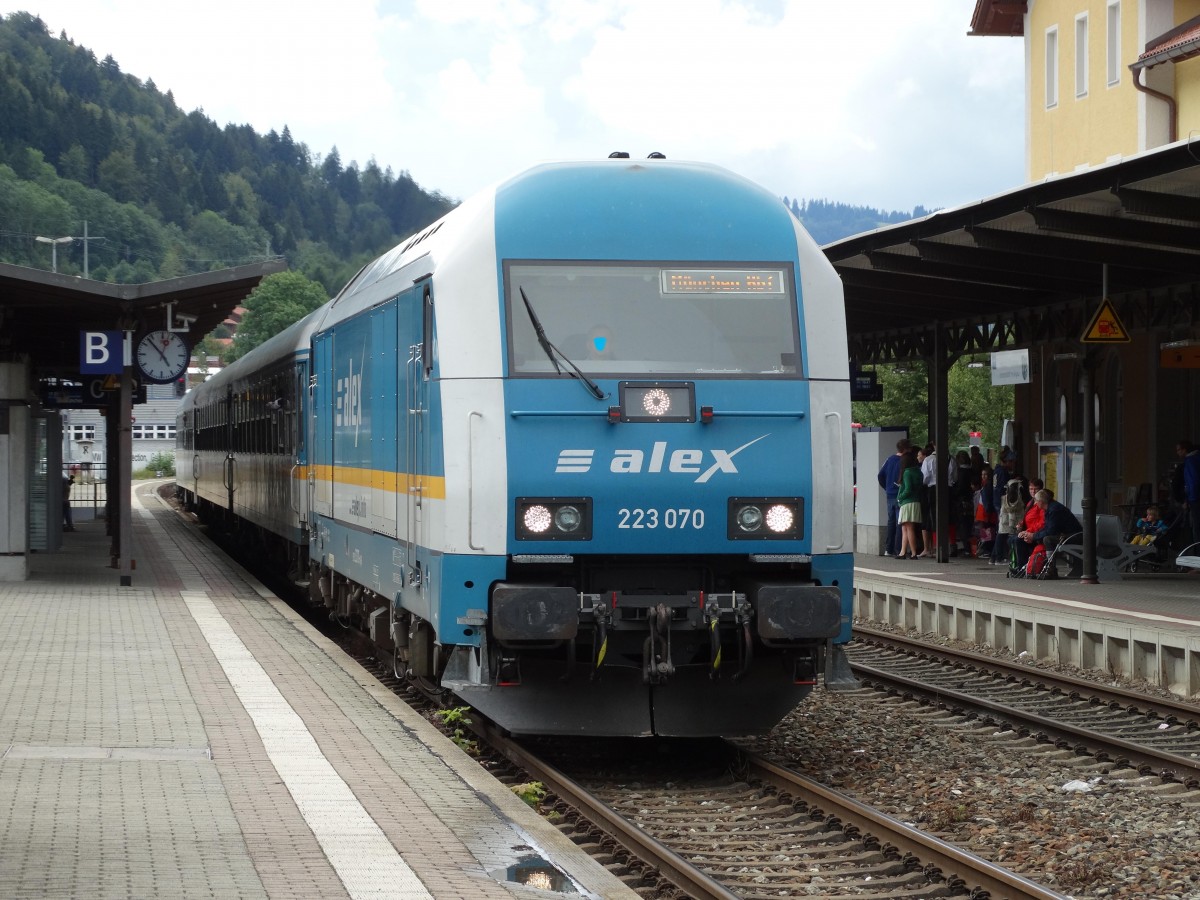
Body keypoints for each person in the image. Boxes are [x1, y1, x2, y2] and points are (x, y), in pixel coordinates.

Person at [1018, 489, 1083, 578]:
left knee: (1047, 539)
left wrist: (1034, 536)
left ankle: (1051, 569)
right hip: (1067, 535)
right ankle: (1035, 567)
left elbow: (1051, 531)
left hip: (1075, 536)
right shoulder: (1050, 509)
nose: (1035, 504)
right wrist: (1032, 535)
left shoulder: (1054, 510)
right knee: (1043, 538)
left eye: (1036, 501)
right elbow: (1047, 528)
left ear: (1041, 502)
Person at [919, 441, 956, 558]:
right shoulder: (952, 459)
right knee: (949, 516)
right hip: (948, 489)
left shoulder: (928, 460)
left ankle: (936, 546)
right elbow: (955, 477)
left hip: (933, 489)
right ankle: (952, 544)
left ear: (933, 445)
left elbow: (924, 478)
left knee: (934, 517)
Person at [876, 438, 911, 557]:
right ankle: (899, 549)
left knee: (891, 522)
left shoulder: (889, 460)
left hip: (890, 494)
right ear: (906, 449)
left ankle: (888, 549)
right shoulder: (905, 461)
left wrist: (887, 487)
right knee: (900, 522)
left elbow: (880, 475)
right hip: (901, 494)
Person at [896, 448, 923, 559]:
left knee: (909, 527)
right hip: (916, 501)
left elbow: (907, 489)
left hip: (907, 502)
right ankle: (902, 551)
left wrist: (900, 498)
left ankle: (913, 553)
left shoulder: (907, 472)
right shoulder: (918, 472)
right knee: (906, 527)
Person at [990, 448, 1016, 564]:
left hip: (997, 501)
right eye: (1011, 461)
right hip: (1002, 503)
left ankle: (994, 555)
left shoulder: (997, 471)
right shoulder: (1003, 473)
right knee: (1003, 530)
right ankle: (998, 556)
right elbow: (1003, 489)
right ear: (1006, 461)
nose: (1012, 464)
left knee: (1001, 530)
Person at [997, 476, 1028, 567]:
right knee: (1007, 537)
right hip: (1012, 518)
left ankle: (997, 557)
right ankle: (1001, 557)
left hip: (1005, 518)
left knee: (1001, 536)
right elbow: (1014, 504)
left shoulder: (1007, 491)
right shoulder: (1017, 490)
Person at [1177, 440, 1200, 544]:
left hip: (1195, 499)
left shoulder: (1190, 461)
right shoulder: (1197, 458)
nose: (1177, 453)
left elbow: (1192, 482)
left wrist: (1189, 499)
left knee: (1196, 526)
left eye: (1179, 450)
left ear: (1184, 450)